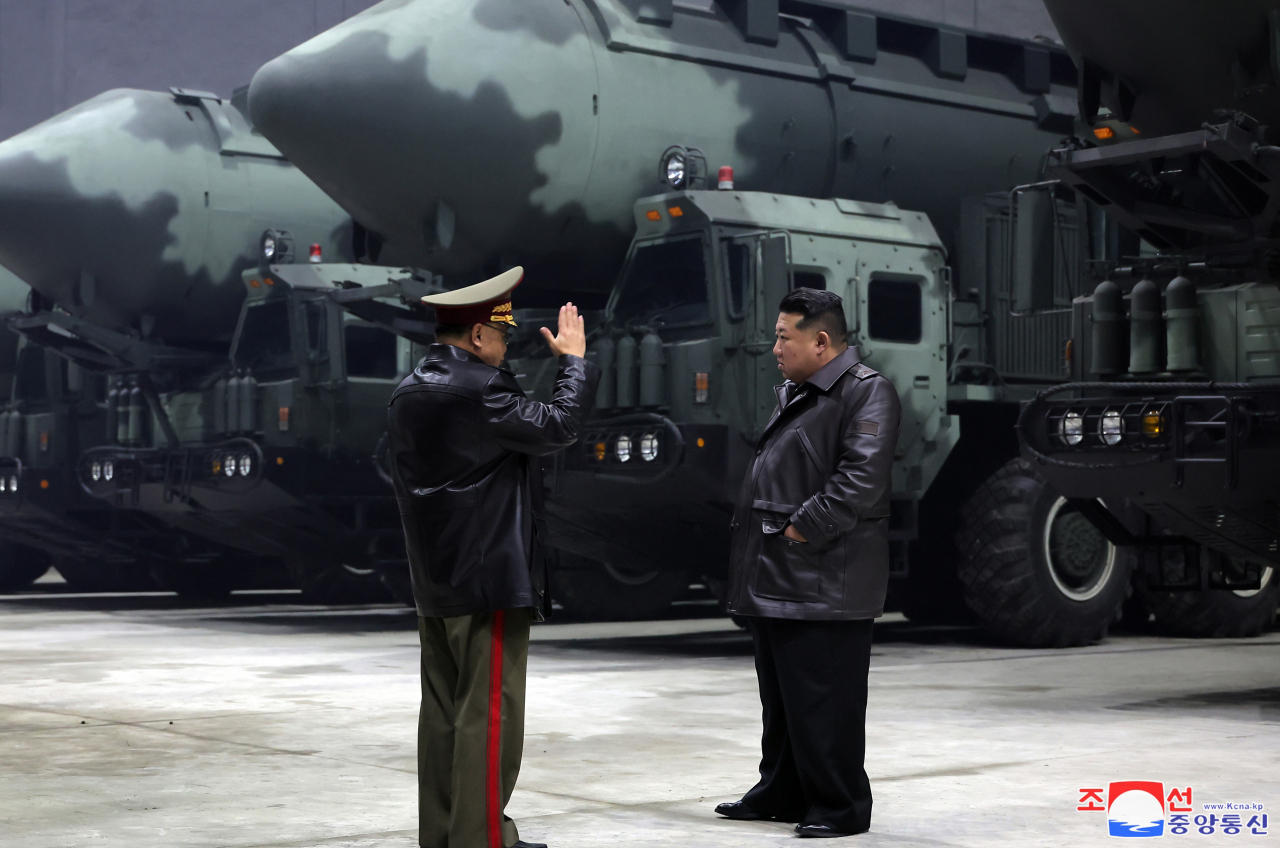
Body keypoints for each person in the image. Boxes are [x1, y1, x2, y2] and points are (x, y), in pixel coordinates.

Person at [386, 266, 600, 848]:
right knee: (488, 714)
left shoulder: (408, 390)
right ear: (479, 335)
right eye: (502, 336)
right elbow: (558, 426)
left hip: (435, 577)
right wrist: (573, 365)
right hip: (489, 579)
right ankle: (481, 839)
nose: (506, 350)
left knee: (443, 711)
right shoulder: (482, 388)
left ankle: (446, 832)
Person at [715, 287, 902, 838]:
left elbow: (859, 482)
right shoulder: (802, 391)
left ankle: (840, 806)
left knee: (826, 703)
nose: (774, 346)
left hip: (824, 576)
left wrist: (801, 529)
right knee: (783, 700)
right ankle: (782, 790)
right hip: (781, 571)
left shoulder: (867, 393)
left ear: (821, 341)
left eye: (783, 336)